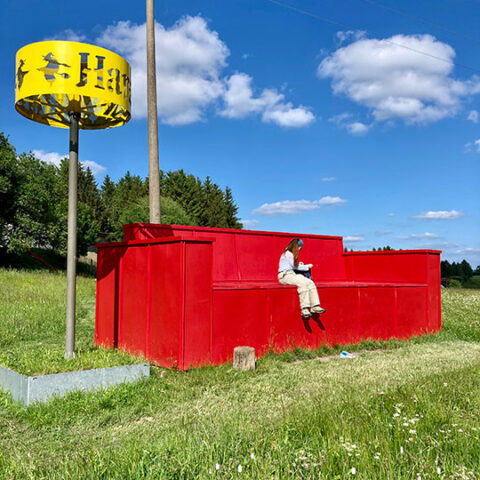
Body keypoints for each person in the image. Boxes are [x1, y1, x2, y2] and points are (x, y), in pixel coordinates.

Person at [278, 238, 326, 318]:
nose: (300, 249)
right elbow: (295, 266)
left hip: (292, 274)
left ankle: (315, 305)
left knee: (310, 282)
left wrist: (300, 264)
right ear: (296, 246)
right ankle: (304, 308)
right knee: (302, 283)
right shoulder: (288, 253)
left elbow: (292, 265)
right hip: (285, 276)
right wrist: (307, 267)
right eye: (299, 247)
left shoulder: (289, 254)